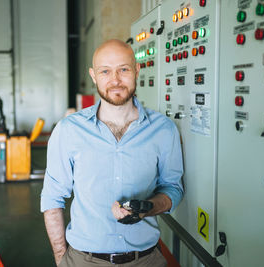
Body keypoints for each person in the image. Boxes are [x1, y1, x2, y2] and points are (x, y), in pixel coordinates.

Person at [41, 39, 183, 266]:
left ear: (137, 70)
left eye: (123, 69)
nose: (115, 80)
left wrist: (148, 208)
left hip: (145, 260)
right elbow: (52, 198)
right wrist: (61, 258)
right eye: (105, 71)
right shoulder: (69, 130)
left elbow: (173, 188)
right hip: (83, 260)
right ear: (93, 75)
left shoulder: (164, 130)